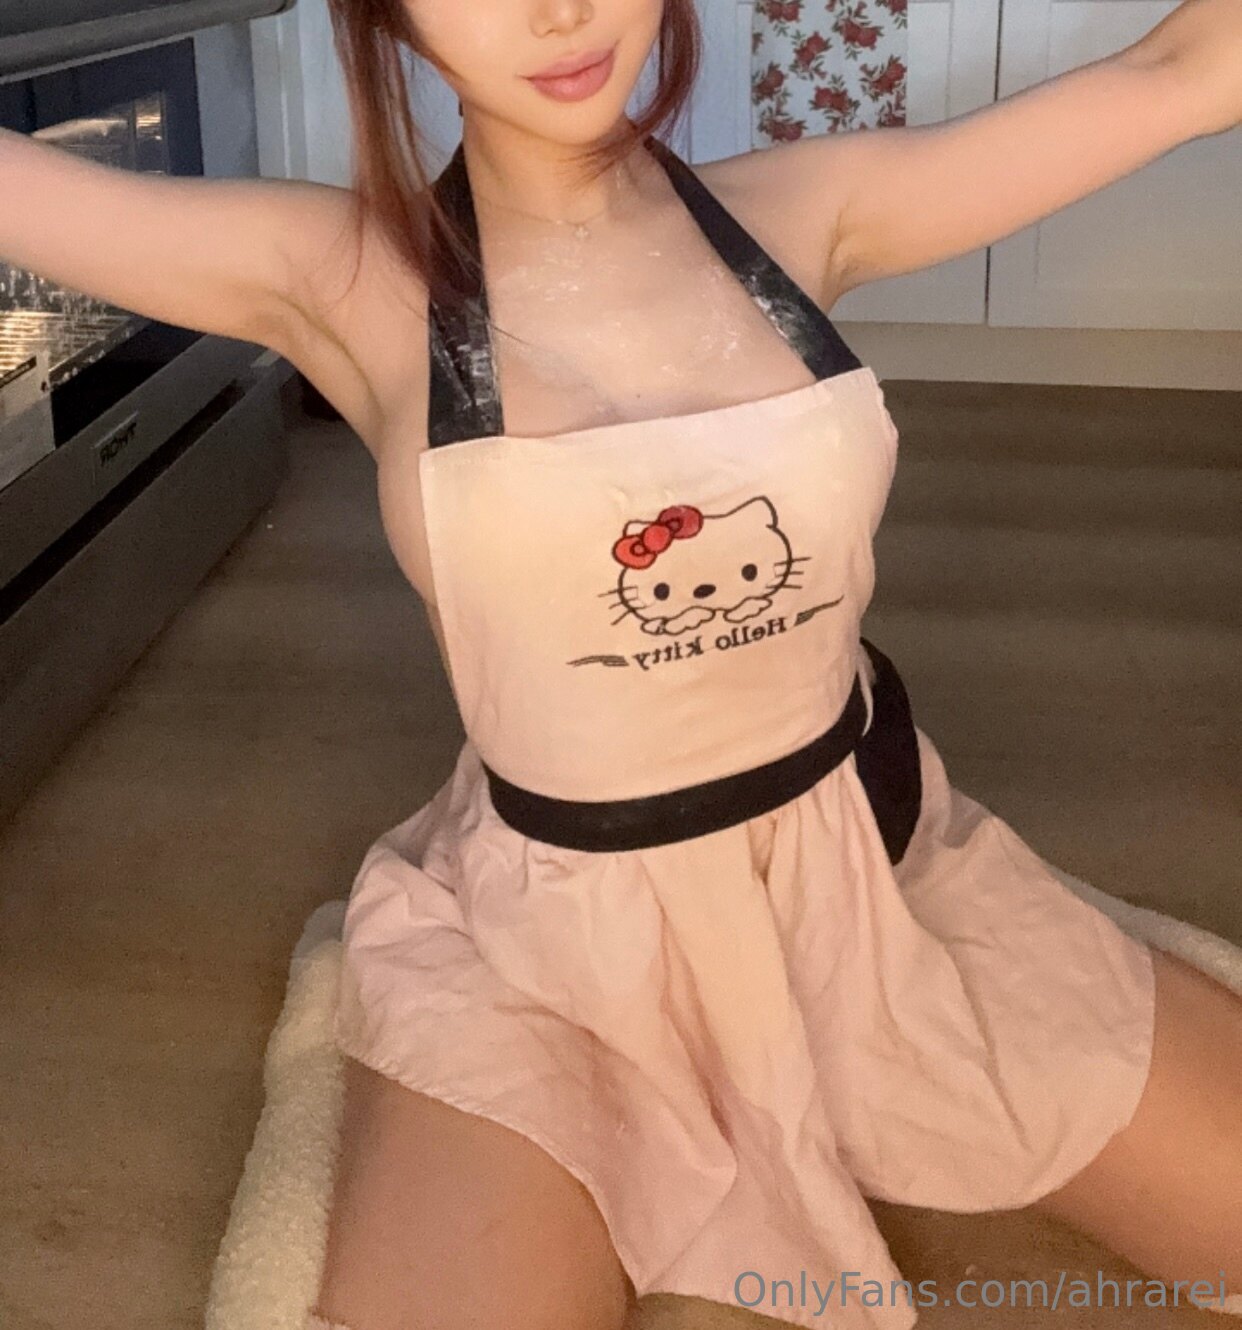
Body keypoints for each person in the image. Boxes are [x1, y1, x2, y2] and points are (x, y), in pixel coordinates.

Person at [2, 3, 1239, 1328]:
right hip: (553, 944)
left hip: (860, 875)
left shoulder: (814, 208)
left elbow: (1178, 69)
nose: (558, 11)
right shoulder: (336, 275)